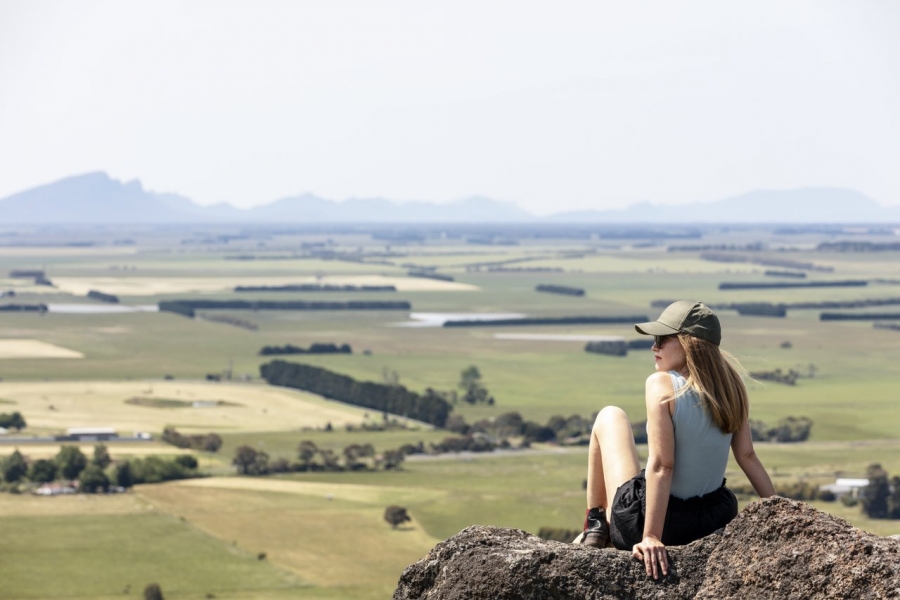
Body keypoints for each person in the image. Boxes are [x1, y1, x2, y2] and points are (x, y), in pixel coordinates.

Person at [578, 300, 775, 579]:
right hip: (713, 519)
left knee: (610, 416)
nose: (653, 348)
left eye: (660, 340)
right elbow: (748, 456)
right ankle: (599, 523)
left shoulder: (661, 384)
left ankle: (596, 524)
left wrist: (651, 537)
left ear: (687, 344)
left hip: (662, 523)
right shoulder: (733, 385)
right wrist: (781, 509)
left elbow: (662, 466)